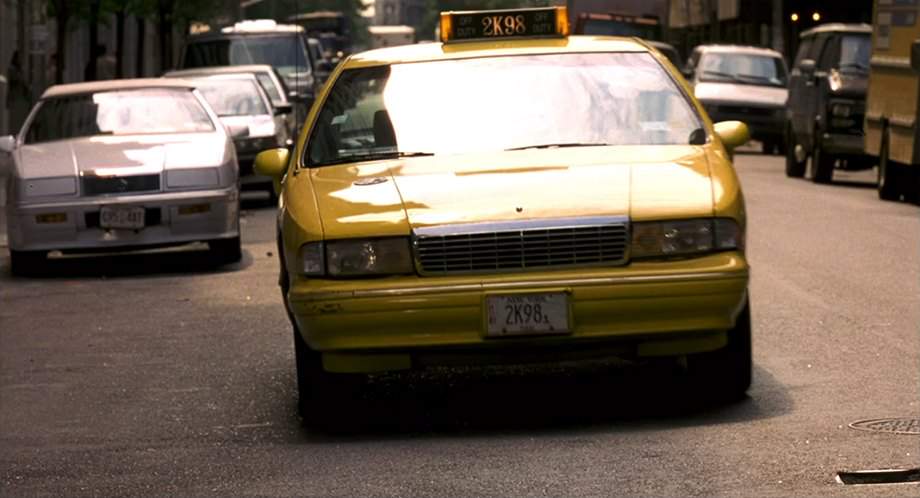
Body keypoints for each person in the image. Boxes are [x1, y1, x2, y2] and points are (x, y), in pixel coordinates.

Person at [6, 51, 32, 134]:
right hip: (15, 99)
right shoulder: (12, 69)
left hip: (21, 99)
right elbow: (15, 80)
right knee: (15, 121)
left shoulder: (20, 69)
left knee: (20, 120)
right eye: (19, 58)